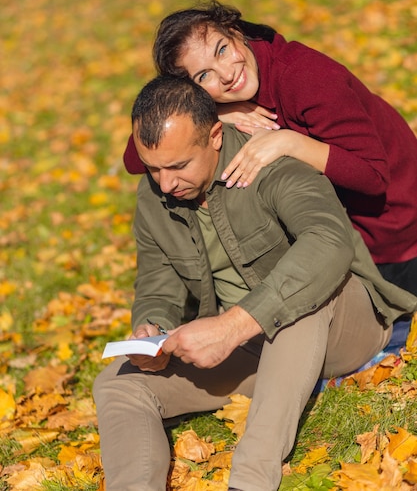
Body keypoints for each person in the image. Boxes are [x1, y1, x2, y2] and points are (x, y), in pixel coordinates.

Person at [94, 76, 417, 491]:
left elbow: (328, 243)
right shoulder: (154, 194)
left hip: (343, 327)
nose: (165, 183)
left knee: (299, 296)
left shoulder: (272, 163)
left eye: (177, 166)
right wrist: (151, 327)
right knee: (118, 384)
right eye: (153, 167)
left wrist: (233, 325)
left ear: (214, 136)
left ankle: (249, 482)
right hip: (252, 352)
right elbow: (158, 282)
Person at [123, 0, 417, 295]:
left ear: (235, 31)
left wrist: (289, 141)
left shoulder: (306, 76)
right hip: (331, 234)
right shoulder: (223, 103)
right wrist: (212, 113)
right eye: (204, 76)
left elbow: (373, 177)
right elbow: (135, 158)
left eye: (222, 49)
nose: (226, 74)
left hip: (393, 238)